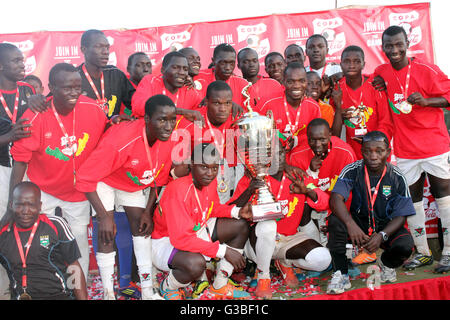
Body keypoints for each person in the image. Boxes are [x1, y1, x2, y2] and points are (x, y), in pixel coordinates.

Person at [9, 63, 110, 284]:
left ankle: (78, 287)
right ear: (51, 88)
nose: (74, 93)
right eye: (67, 88)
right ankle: (39, 284)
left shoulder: (93, 108)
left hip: (77, 191)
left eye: (77, 87)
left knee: (79, 240)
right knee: (36, 238)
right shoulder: (35, 114)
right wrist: (12, 201)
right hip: (42, 188)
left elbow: (108, 137)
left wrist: (119, 123)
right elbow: (20, 160)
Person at [75, 94, 179, 300]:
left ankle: (148, 290)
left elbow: (159, 179)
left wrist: (148, 212)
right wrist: (104, 216)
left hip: (130, 181)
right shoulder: (121, 140)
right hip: (105, 178)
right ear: (147, 120)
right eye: (162, 120)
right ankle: (108, 294)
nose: (168, 126)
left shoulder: (168, 140)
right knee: (106, 232)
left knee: (142, 227)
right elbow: (85, 179)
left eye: (172, 120)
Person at [372, 25, 450, 273]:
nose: (394, 50)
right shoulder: (381, 72)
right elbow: (379, 96)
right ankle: (424, 253)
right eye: (389, 46)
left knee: (444, 200)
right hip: (405, 150)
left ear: (407, 43)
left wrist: (427, 101)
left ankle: (448, 253)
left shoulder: (426, 69)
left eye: (398, 44)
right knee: (412, 202)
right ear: (382, 48)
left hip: (434, 145)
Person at [229, 140, 331, 299]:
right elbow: (230, 210)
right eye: (271, 154)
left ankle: (284, 262)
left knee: (322, 259)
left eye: (281, 152)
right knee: (268, 225)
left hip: (289, 239)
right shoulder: (253, 179)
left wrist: (307, 191)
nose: (278, 158)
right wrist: (249, 190)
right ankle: (264, 277)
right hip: (257, 242)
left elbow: (324, 202)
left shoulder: (297, 176)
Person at [152, 142, 253, 300]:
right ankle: (168, 287)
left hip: (195, 230)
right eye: (204, 167)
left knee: (240, 225)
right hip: (166, 241)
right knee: (196, 265)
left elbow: (211, 208)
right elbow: (181, 239)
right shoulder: (178, 190)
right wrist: (224, 251)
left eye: (214, 168)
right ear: (192, 165)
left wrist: (237, 211)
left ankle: (219, 285)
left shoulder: (208, 181)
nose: (210, 173)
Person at [327, 131, 415, 294]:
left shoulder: (397, 176)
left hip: (385, 225)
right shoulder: (352, 170)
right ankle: (341, 273)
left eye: (379, 151)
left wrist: (382, 234)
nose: (373, 156)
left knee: (405, 245)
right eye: (368, 151)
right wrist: (350, 224)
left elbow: (401, 215)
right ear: (362, 152)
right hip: (358, 224)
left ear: (388, 153)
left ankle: (386, 264)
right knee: (335, 221)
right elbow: (335, 199)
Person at [0, 181, 88, 300]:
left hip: (59, 296)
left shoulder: (56, 225)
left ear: (40, 206)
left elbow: (74, 268)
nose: (26, 211)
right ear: (11, 205)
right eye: (20, 205)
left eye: (31, 205)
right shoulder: (3, 233)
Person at [28, 29, 135, 119]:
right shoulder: (73, 77)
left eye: (107, 47)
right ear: (84, 49)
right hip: (84, 139)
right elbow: (51, 104)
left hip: (110, 138)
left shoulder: (116, 74)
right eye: (99, 46)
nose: (105, 51)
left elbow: (136, 103)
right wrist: (36, 99)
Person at [0, 42, 34, 299]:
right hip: (2, 168)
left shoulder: (29, 89)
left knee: (29, 220)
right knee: (4, 220)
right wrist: (8, 136)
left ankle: (32, 276)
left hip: (29, 167)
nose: (22, 64)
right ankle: (6, 280)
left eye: (22, 59)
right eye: (16, 61)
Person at [287, 118, 357, 244]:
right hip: (312, 201)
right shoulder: (296, 156)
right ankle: (314, 242)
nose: (318, 144)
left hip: (337, 204)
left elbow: (350, 193)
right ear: (307, 138)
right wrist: (311, 171)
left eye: (322, 139)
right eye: (312, 140)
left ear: (330, 134)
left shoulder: (345, 152)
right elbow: (301, 188)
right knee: (301, 201)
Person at [175, 80, 244, 204]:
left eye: (227, 103)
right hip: (198, 176)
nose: (223, 109)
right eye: (217, 103)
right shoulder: (193, 120)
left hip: (225, 173)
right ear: (206, 102)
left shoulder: (235, 116)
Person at [331, 46, 393, 161]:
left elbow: (386, 122)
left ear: (363, 64)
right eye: (347, 61)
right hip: (352, 153)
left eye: (357, 61)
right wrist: (339, 114)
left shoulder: (375, 85)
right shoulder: (337, 87)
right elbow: (333, 126)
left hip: (377, 151)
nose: (352, 65)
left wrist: (375, 142)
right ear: (341, 65)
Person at [260, 62, 321, 150]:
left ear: (306, 82)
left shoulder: (314, 107)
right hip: (274, 157)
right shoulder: (267, 103)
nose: (296, 86)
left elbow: (316, 135)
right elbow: (258, 133)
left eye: (301, 81)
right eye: (290, 82)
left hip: (302, 157)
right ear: (284, 81)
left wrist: (297, 140)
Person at [131, 51, 203, 121]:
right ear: (163, 70)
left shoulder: (188, 88)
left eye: (185, 69)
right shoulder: (150, 81)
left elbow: (201, 111)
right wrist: (182, 112)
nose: (182, 72)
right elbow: (139, 108)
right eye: (175, 67)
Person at [196, 43, 251, 110]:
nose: (228, 68)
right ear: (213, 61)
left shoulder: (244, 85)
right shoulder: (197, 78)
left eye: (231, 63)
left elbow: (252, 114)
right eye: (223, 63)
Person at [237, 47, 284, 112]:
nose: (251, 65)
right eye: (246, 62)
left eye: (255, 61)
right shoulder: (235, 86)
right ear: (238, 65)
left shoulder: (273, 84)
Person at [305, 34, 343, 101]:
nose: (316, 50)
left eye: (320, 46)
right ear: (306, 52)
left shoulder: (337, 70)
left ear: (327, 50)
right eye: (311, 47)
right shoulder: (303, 73)